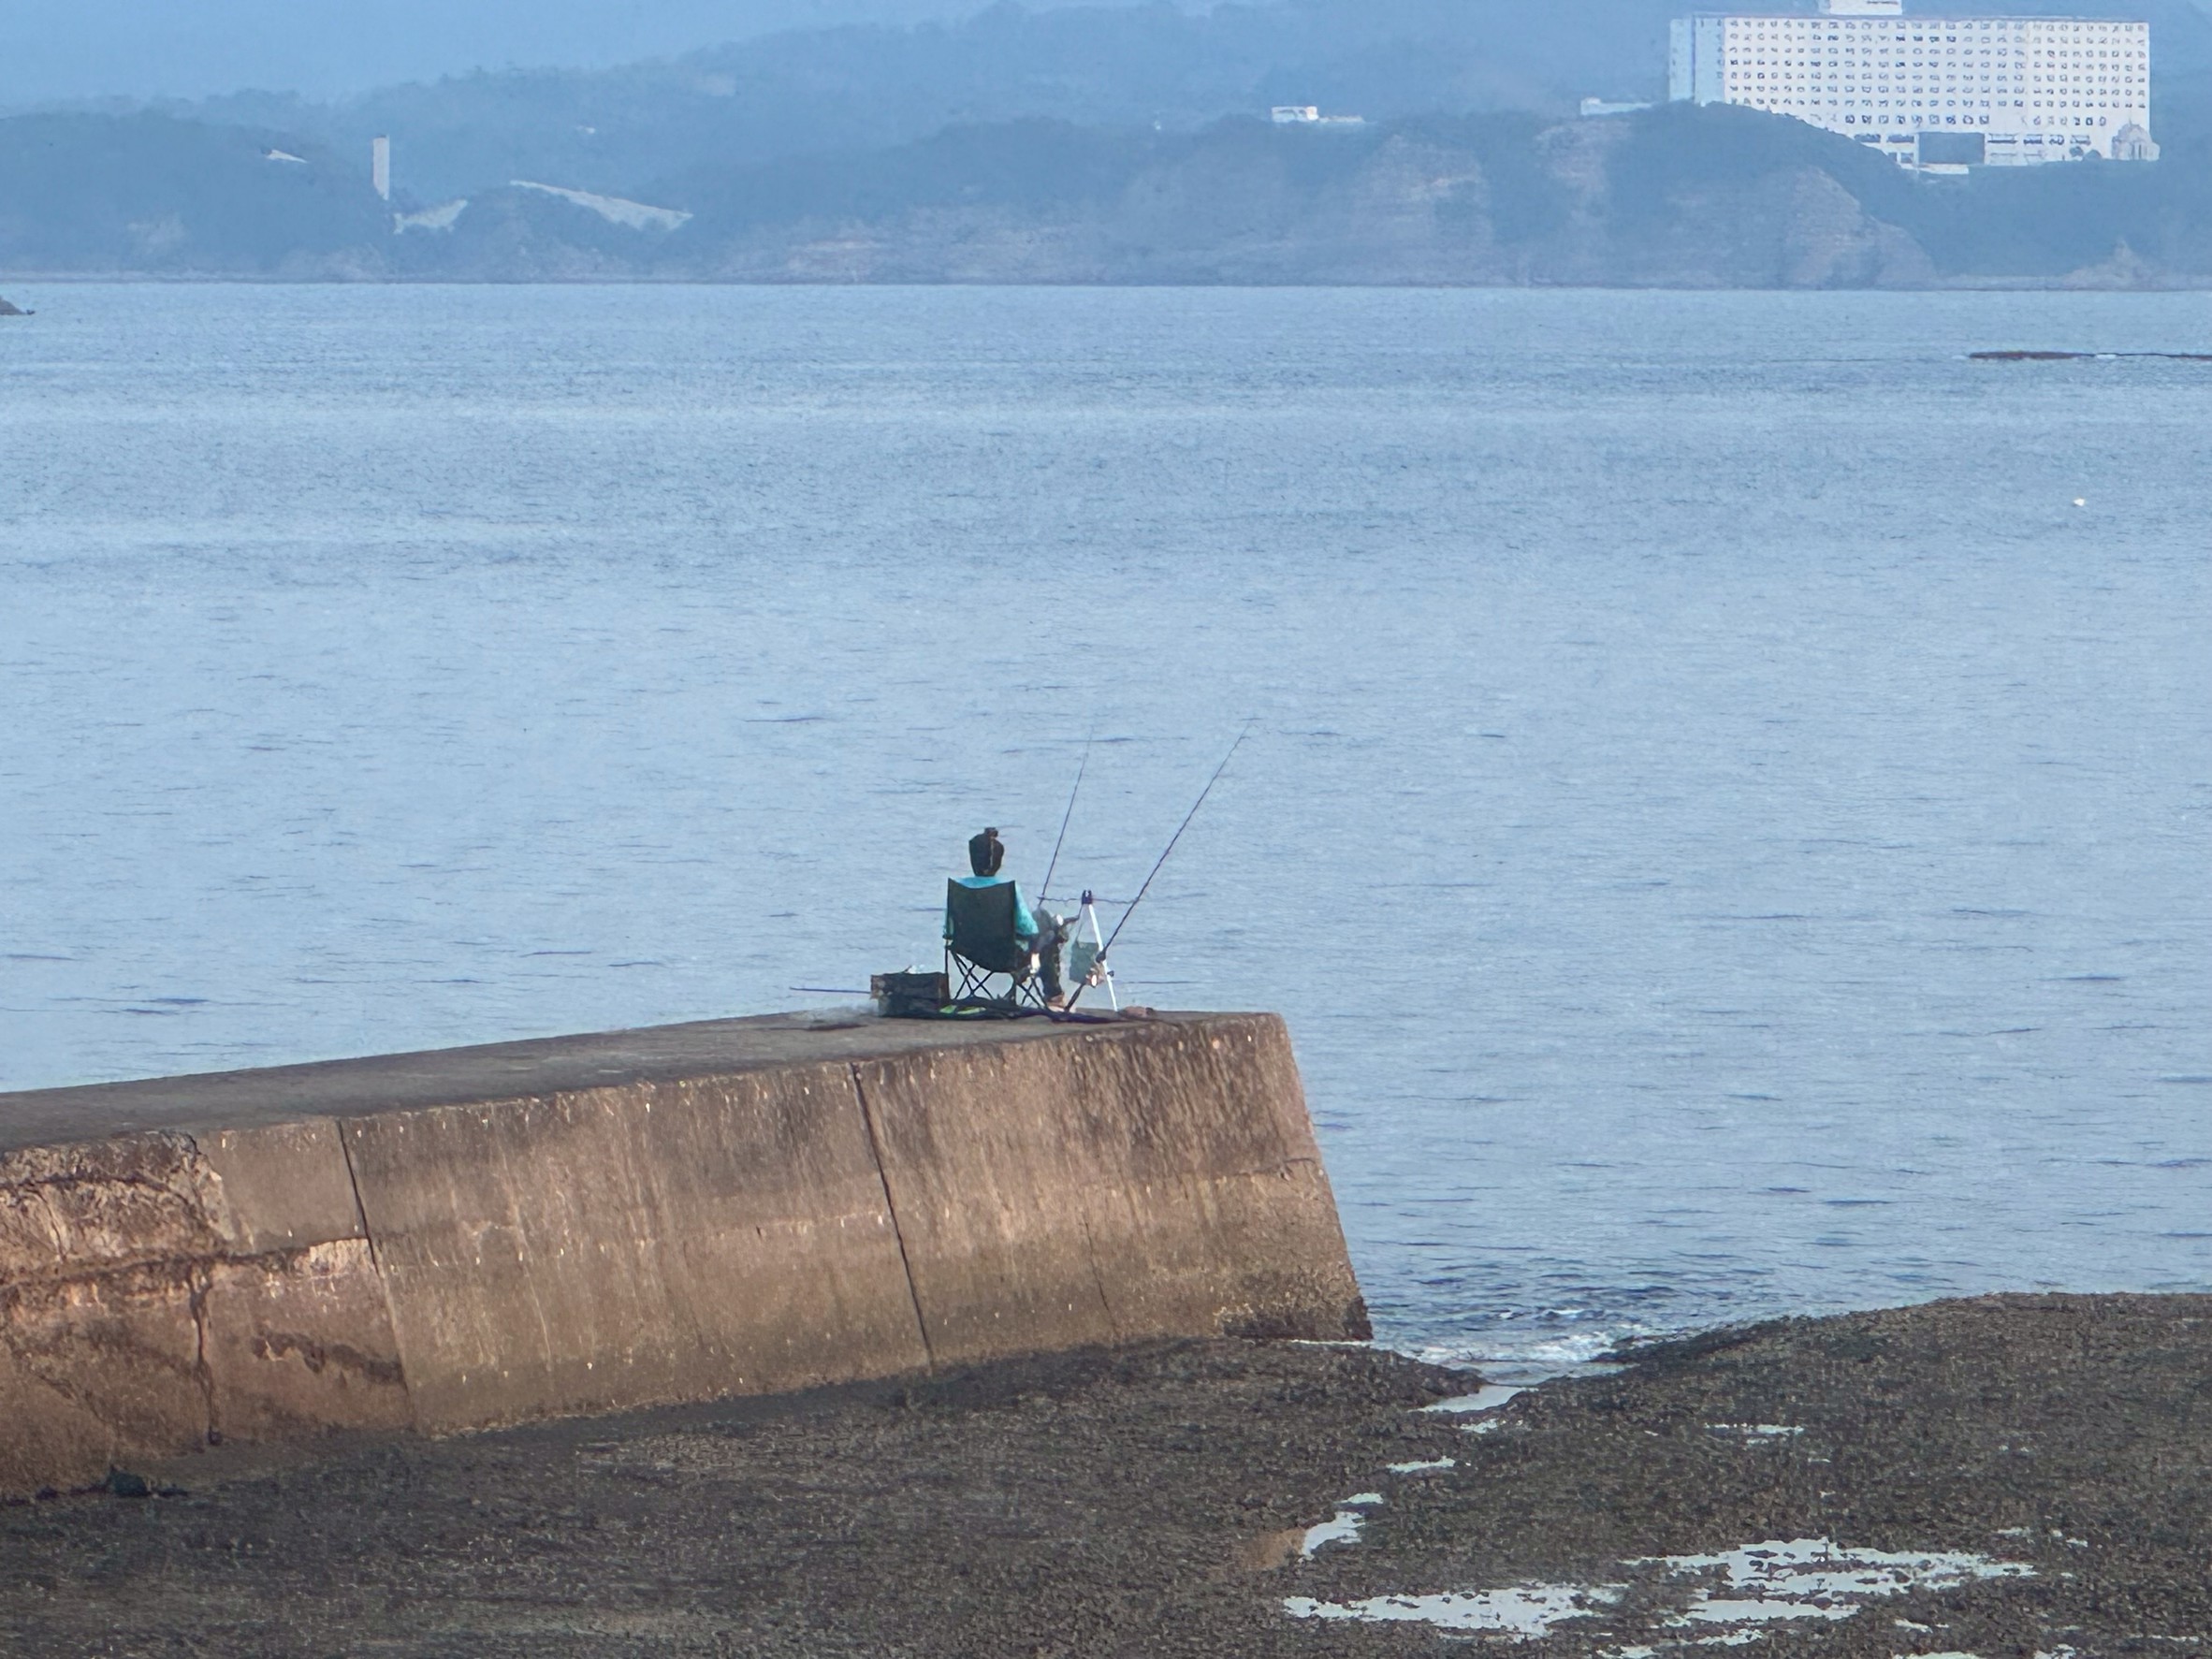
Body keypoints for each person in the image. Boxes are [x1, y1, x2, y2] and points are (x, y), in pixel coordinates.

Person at [947, 827, 1069, 1005]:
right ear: (999, 862)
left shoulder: (959, 888)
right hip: (1008, 956)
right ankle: (1053, 994)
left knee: (1045, 928)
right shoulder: (1007, 888)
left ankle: (1035, 979)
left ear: (972, 859)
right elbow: (1029, 929)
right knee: (1046, 925)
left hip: (970, 952)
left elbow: (948, 930)